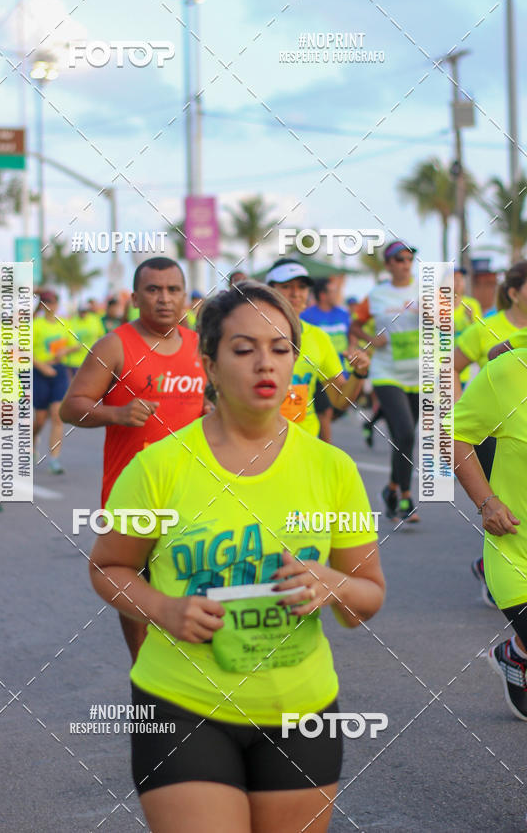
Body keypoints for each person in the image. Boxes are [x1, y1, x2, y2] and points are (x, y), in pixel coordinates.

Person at [89, 281, 385, 832]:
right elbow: (108, 568)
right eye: (243, 349)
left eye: (279, 349)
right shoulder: (160, 466)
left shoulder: (332, 469)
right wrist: (165, 609)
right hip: (181, 702)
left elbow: (366, 598)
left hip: (301, 709)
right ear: (210, 363)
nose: (264, 364)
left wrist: (330, 583)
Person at [60, 257, 207, 660]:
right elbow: (71, 408)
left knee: (189, 583)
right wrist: (117, 414)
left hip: (193, 492)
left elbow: (215, 407)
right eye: (154, 290)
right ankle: (143, 669)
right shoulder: (115, 345)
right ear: (136, 297)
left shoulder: (200, 347)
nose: (164, 299)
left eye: (173, 290)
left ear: (185, 298)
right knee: (135, 585)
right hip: (132, 492)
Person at [452, 343, 527, 719]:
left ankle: (517, 652)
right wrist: (486, 501)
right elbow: (454, 434)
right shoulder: (508, 372)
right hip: (518, 555)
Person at [454, 262, 527, 600]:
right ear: (514, 292)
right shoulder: (486, 328)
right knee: (499, 499)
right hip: (486, 425)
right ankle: (498, 566)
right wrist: (458, 405)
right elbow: (450, 367)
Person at [350, 240, 421, 523]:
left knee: (403, 438)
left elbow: (447, 324)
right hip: (386, 372)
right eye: (400, 259)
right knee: (404, 433)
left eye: (409, 259)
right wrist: (370, 339)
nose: (405, 264)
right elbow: (355, 324)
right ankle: (405, 497)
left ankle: (391, 489)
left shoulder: (425, 289)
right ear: (389, 264)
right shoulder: (377, 294)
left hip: (419, 375)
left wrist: (434, 317)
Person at [265, 260, 370, 443]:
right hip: (258, 444)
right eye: (286, 286)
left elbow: (339, 399)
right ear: (269, 291)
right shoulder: (251, 335)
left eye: (302, 287)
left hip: (304, 442)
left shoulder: (318, 337)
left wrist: (359, 373)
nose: (296, 293)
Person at [301, 277, 355, 443]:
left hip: (340, 370)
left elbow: (351, 334)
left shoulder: (343, 314)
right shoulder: (307, 316)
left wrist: (352, 347)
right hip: (317, 372)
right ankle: (326, 449)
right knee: (325, 412)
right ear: (322, 295)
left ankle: (318, 440)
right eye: (333, 292)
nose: (337, 295)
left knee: (335, 410)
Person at [33, 290, 78, 475]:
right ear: (42, 305)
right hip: (40, 371)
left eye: (53, 302)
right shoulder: (36, 325)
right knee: (41, 419)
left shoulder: (64, 323)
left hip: (59, 371)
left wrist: (64, 352)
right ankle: (33, 442)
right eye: (46, 302)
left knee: (57, 415)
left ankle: (54, 459)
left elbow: (76, 344)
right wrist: (42, 367)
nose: (50, 305)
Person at [63, 304, 105, 380]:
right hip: (75, 361)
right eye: (81, 312)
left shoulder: (95, 320)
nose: (83, 314)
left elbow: (101, 336)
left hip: (91, 359)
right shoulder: (71, 321)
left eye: (85, 311)